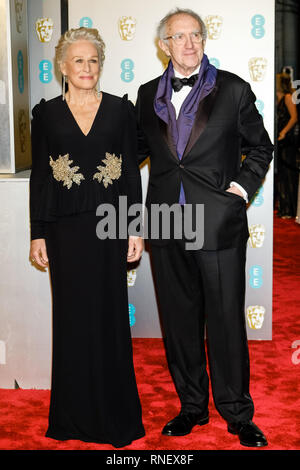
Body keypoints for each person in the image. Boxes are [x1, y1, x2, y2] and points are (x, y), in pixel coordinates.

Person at [136, 8, 273, 447]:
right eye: (179, 36)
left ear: (203, 39)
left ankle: (236, 414)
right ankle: (192, 407)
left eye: (196, 34)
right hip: (165, 222)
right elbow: (131, 151)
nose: (189, 43)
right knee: (179, 322)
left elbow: (260, 147)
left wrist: (241, 188)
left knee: (226, 322)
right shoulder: (144, 95)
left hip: (217, 224)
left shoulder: (232, 89)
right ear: (164, 45)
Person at [29, 27, 145, 448]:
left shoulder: (120, 111)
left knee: (109, 316)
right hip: (63, 231)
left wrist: (135, 227)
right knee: (72, 318)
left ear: (101, 65)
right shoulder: (45, 115)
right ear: (62, 66)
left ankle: (115, 417)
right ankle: (72, 418)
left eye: (93, 60)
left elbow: (131, 172)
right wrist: (37, 233)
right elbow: (41, 178)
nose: (87, 68)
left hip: (110, 227)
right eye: (78, 60)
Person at [275, 73, 298, 218]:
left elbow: (294, 117)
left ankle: (290, 208)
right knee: (281, 175)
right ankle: (284, 207)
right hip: (279, 139)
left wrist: (283, 132)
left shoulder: (288, 97)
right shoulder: (277, 97)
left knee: (288, 175)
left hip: (287, 141)